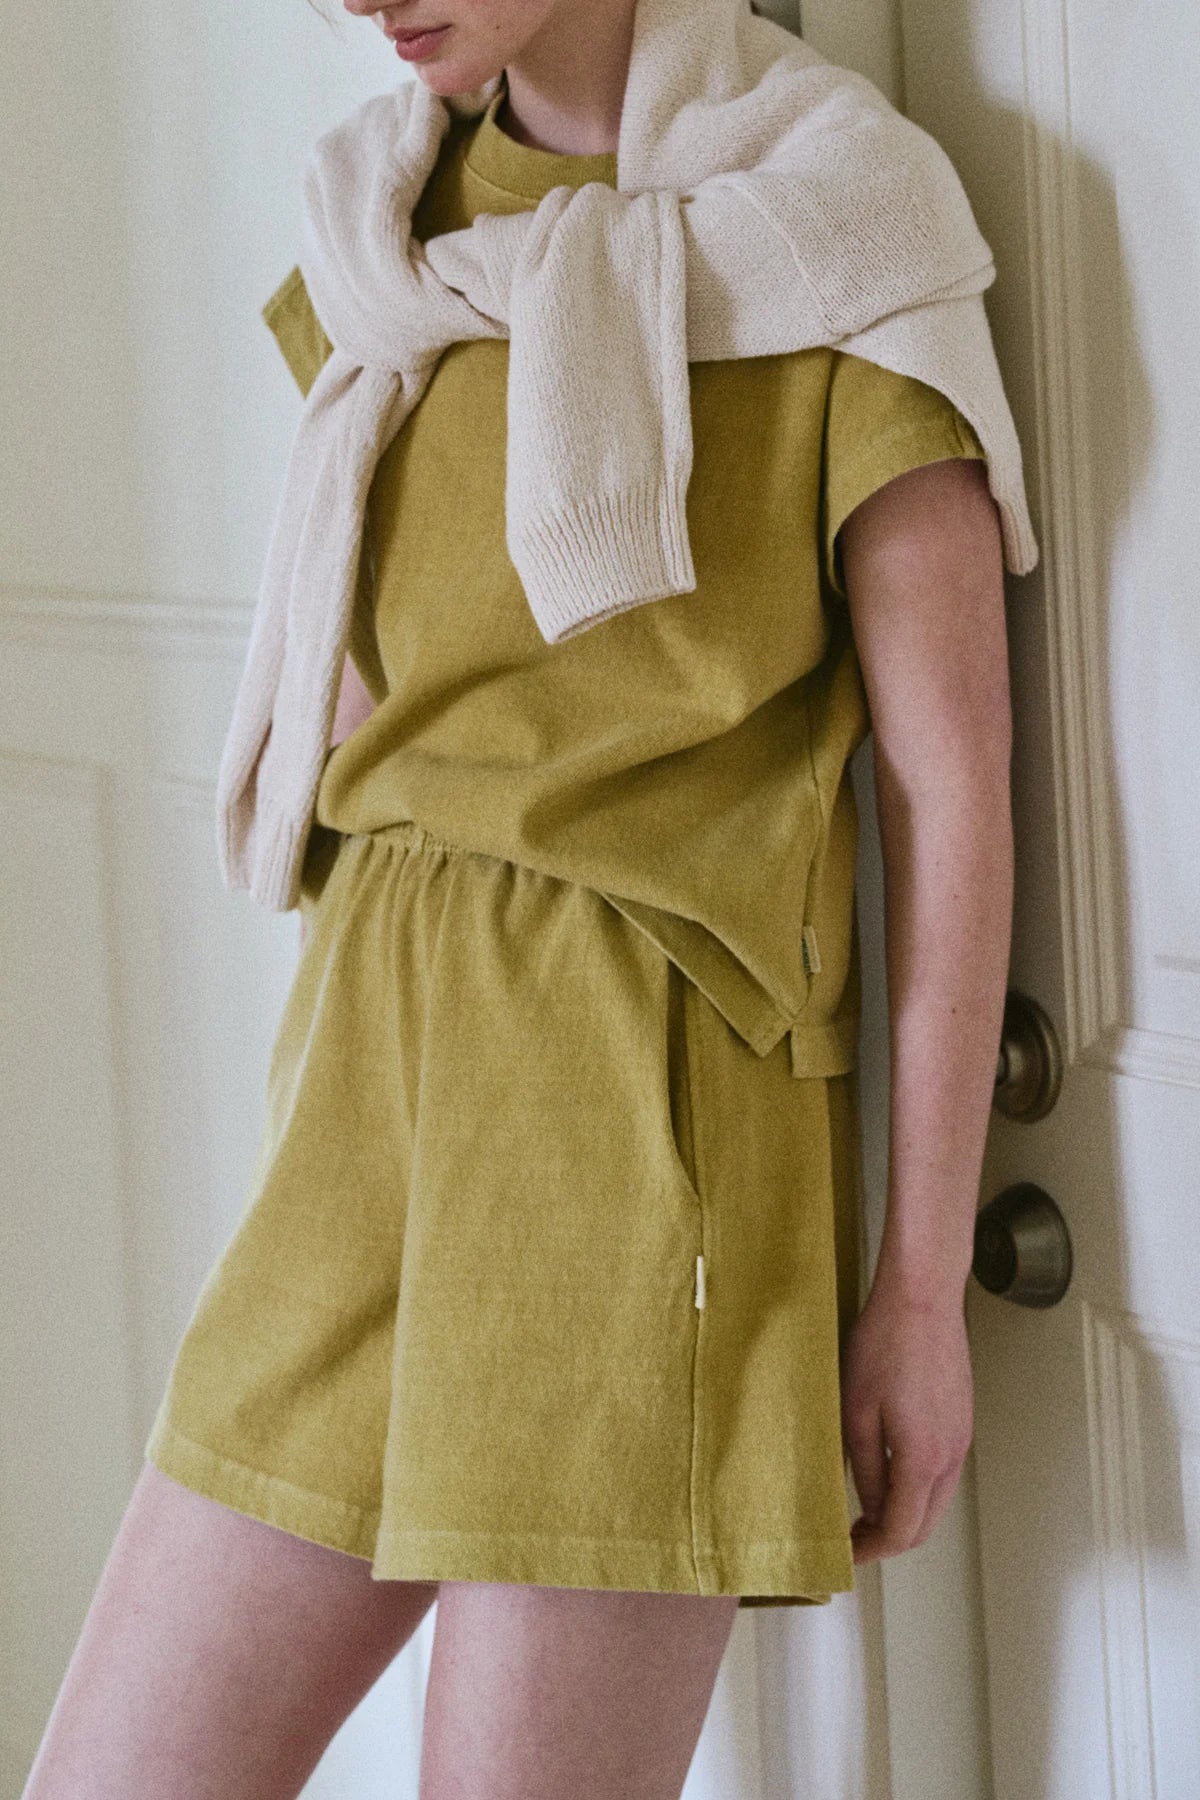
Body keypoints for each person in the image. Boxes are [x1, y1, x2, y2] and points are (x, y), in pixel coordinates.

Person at [23, 1, 1017, 1795]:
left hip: (638, 1134)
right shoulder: (389, 224)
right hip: (368, 1096)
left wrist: (918, 1294)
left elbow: (946, 798)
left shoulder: (844, 221)